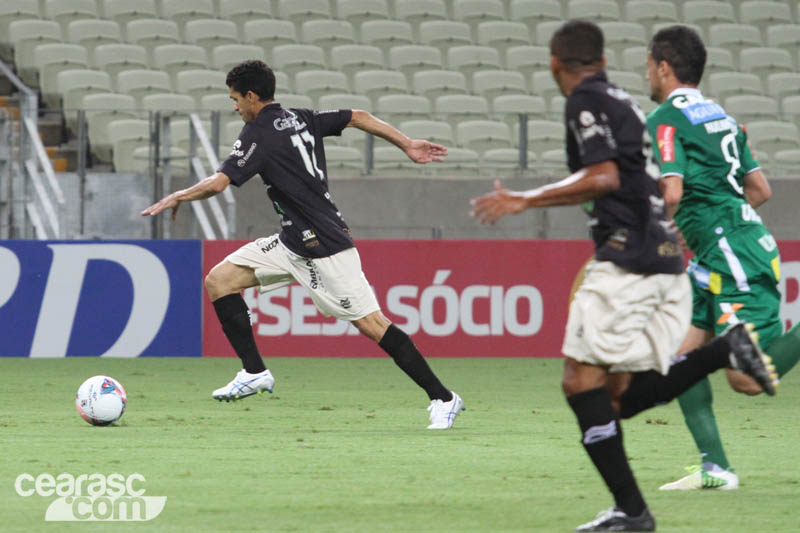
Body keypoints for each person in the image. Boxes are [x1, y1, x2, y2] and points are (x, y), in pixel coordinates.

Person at [471, 20, 777, 532]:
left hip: (631, 255)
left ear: (554, 63)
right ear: (604, 61)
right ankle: (723, 356)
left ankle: (633, 512)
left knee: (579, 384)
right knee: (614, 395)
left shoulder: (587, 101)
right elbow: (647, 180)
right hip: (662, 256)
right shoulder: (627, 103)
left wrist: (525, 198)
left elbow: (607, 176)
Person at [141, 60, 465, 430]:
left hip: (327, 246)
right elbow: (357, 115)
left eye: (235, 99)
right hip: (292, 241)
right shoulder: (301, 117)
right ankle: (254, 372)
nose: (234, 108)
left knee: (374, 326)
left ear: (251, 96)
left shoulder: (257, 133)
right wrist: (406, 143)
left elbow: (218, 183)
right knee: (220, 281)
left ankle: (444, 398)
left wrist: (178, 196)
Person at [645, 25, 800, 490]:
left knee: (747, 379)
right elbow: (760, 190)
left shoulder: (665, 120)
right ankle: (716, 468)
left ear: (664, 67)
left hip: (732, 256)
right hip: (721, 252)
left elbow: (670, 192)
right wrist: (720, 226)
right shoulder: (723, 118)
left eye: (649, 66)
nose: (648, 76)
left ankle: (717, 467)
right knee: (680, 361)